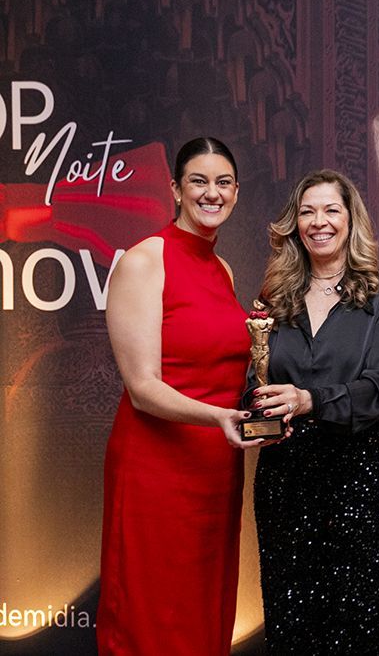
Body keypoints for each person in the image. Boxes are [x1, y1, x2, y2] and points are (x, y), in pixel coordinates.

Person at [98, 137, 261, 655]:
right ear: (175, 188)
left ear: (236, 192)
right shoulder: (145, 260)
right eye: (199, 181)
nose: (212, 193)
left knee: (203, 611)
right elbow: (142, 388)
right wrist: (219, 418)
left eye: (223, 182)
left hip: (216, 470)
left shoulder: (223, 269)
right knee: (151, 616)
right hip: (156, 469)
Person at [248, 170, 379, 653]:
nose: (319, 222)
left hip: (365, 476)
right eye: (307, 211)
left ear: (350, 220)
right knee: (291, 625)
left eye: (331, 210)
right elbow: (254, 381)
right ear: (295, 224)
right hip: (287, 478)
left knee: (360, 625)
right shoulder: (273, 298)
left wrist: (308, 400)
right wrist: (253, 413)